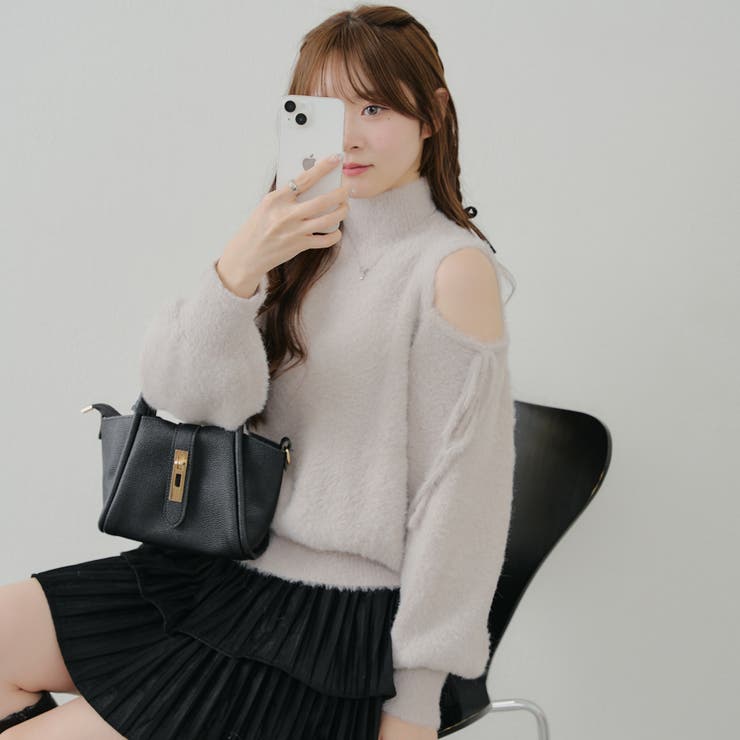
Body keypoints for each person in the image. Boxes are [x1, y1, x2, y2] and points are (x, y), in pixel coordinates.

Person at [0, 4, 516, 739]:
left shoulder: (451, 270)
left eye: (373, 108)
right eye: (325, 109)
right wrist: (239, 268)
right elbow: (182, 398)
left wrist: (413, 705)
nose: (348, 135)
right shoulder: (293, 238)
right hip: (217, 569)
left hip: (324, 627)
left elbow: (461, 504)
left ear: (431, 115)